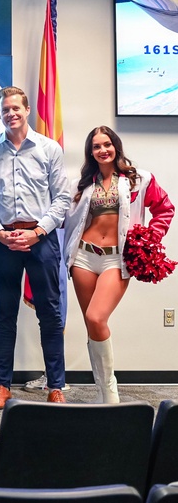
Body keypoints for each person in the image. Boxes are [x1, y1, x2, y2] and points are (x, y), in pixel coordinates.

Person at [0, 86, 71, 407]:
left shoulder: (48, 148)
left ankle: (56, 386)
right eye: (5, 109)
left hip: (41, 241)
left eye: (16, 108)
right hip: (2, 242)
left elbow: (62, 199)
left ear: (27, 110)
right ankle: (2, 385)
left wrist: (39, 231)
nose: (11, 113)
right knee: (5, 315)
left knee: (50, 314)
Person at [63, 126, 173, 403]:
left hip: (117, 258)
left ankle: (110, 394)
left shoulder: (139, 179)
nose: (103, 150)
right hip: (84, 257)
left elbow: (164, 208)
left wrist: (150, 237)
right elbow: (65, 217)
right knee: (92, 327)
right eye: (97, 146)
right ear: (91, 152)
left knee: (96, 318)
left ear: (116, 146)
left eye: (107, 144)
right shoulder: (82, 184)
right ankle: (102, 393)